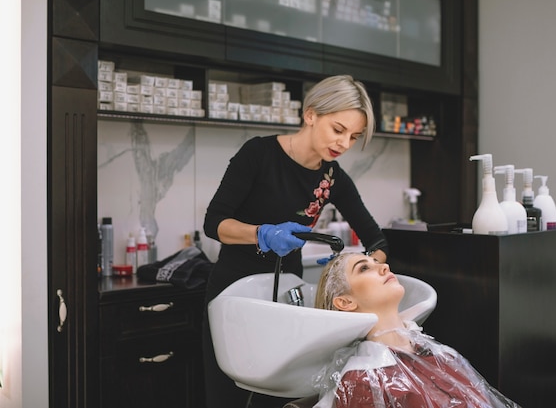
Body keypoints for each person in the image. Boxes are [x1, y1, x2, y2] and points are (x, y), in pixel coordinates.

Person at [202, 75, 389, 408]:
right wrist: (262, 233)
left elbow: (376, 238)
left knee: (276, 396)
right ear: (311, 115)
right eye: (338, 129)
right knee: (229, 395)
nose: (345, 144)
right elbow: (214, 223)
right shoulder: (258, 154)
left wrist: (356, 266)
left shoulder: (332, 178)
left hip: (287, 297)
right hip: (235, 295)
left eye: (354, 137)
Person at [312, 253, 521, 408]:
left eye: (377, 262)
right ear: (345, 302)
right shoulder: (363, 381)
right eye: (363, 268)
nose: (384, 266)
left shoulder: (441, 356)